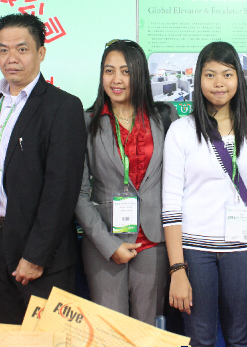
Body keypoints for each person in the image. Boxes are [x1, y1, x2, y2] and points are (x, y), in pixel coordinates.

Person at [163, 42, 247, 347]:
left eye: (227, 74)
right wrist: (177, 269)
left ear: (238, 79)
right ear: (198, 80)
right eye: (210, 74)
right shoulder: (181, 131)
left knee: (241, 338)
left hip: (244, 251)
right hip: (194, 250)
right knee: (199, 339)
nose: (219, 83)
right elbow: (171, 205)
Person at [0, 13, 87, 324]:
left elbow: (61, 191)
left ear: (41, 52)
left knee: (46, 340)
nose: (11, 58)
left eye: (22, 49)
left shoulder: (63, 107)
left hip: (40, 255)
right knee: (10, 335)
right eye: (3, 49)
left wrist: (35, 256)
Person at [75, 40, 179, 325]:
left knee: (147, 330)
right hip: (104, 243)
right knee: (111, 331)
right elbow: (79, 194)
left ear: (140, 74)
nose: (116, 79)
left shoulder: (165, 117)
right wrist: (108, 244)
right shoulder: (87, 121)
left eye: (125, 71)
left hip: (154, 241)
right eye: (109, 71)